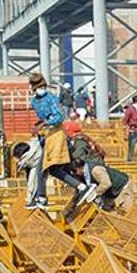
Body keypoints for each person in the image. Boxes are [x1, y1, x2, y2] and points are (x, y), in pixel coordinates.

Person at [29, 73, 95, 210]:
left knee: (44, 167)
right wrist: (38, 125)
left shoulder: (51, 98)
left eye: (43, 86)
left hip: (56, 134)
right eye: (39, 87)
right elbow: (44, 117)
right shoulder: (34, 102)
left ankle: (42, 197)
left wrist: (44, 124)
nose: (42, 89)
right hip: (47, 135)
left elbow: (59, 117)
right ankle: (79, 187)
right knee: (50, 169)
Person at [71, 159, 137, 214]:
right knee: (111, 210)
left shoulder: (95, 170)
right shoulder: (86, 173)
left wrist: (95, 193)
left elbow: (106, 184)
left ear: (80, 168)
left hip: (124, 187)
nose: (76, 174)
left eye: (75, 171)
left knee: (126, 213)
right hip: (114, 191)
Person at [12, 139, 43, 210]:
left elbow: (32, 181)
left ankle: (36, 199)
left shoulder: (34, 160)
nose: (16, 161)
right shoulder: (29, 161)